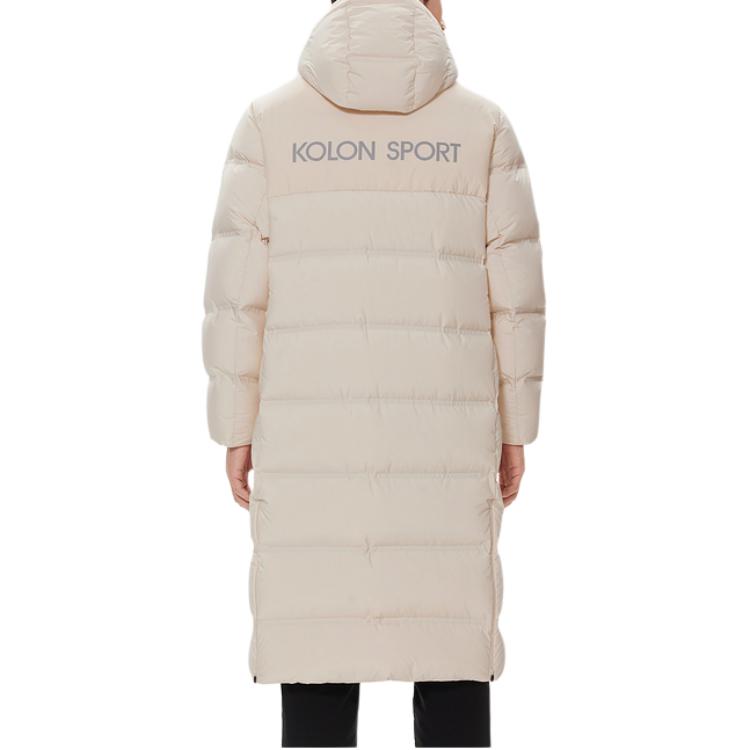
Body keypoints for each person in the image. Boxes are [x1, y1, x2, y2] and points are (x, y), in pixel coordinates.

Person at [202, 0, 545, 745]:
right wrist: (516, 429)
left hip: (308, 437)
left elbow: (237, 298)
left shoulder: (269, 125)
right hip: (447, 437)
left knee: (317, 629)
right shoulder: (482, 126)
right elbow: (514, 300)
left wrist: (235, 427)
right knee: (448, 630)